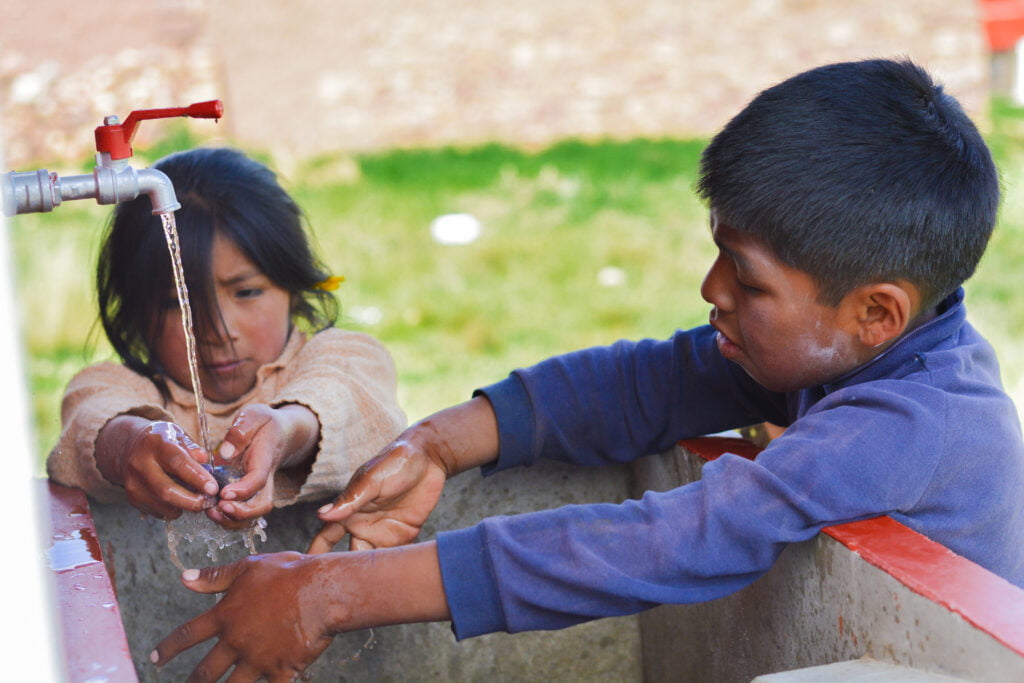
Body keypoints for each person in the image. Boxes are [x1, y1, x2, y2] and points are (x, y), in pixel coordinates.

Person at [153, 59, 1024, 681]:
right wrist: (440, 443)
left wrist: (332, 594)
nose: (710, 289)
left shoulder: (911, 422)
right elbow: (643, 385)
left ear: (877, 312)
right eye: (719, 253)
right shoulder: (839, 348)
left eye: (747, 278)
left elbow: (677, 539)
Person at [46, 147, 406, 527]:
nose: (218, 332)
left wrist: (287, 431)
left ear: (294, 288)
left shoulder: (340, 358)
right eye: (177, 303)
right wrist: (131, 443)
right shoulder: (127, 390)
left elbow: (347, 398)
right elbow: (91, 417)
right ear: (136, 313)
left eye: (246, 292)